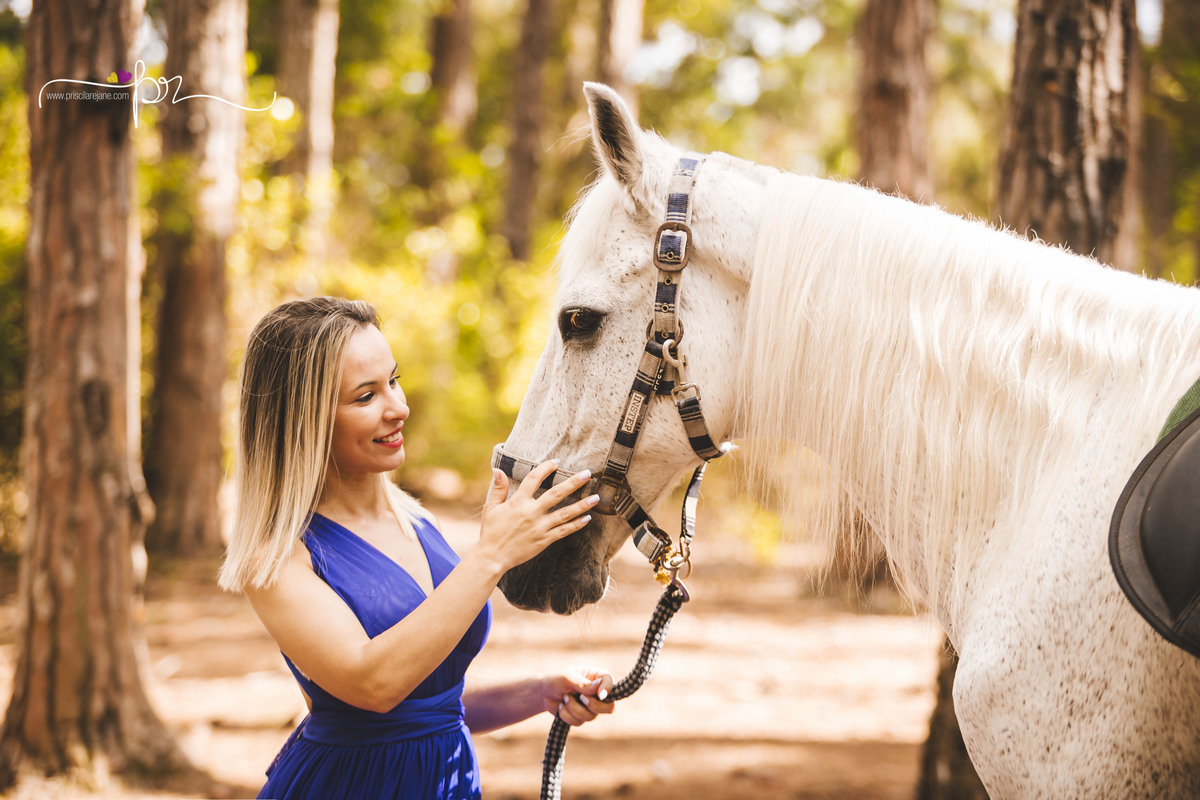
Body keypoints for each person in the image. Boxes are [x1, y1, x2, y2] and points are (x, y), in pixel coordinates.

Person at [218, 296, 613, 800]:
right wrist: (490, 557)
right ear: (303, 420)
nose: (398, 407)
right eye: (365, 397)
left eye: (394, 380)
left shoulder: (415, 519)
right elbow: (374, 686)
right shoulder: (275, 556)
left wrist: (538, 692)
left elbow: (430, 705)